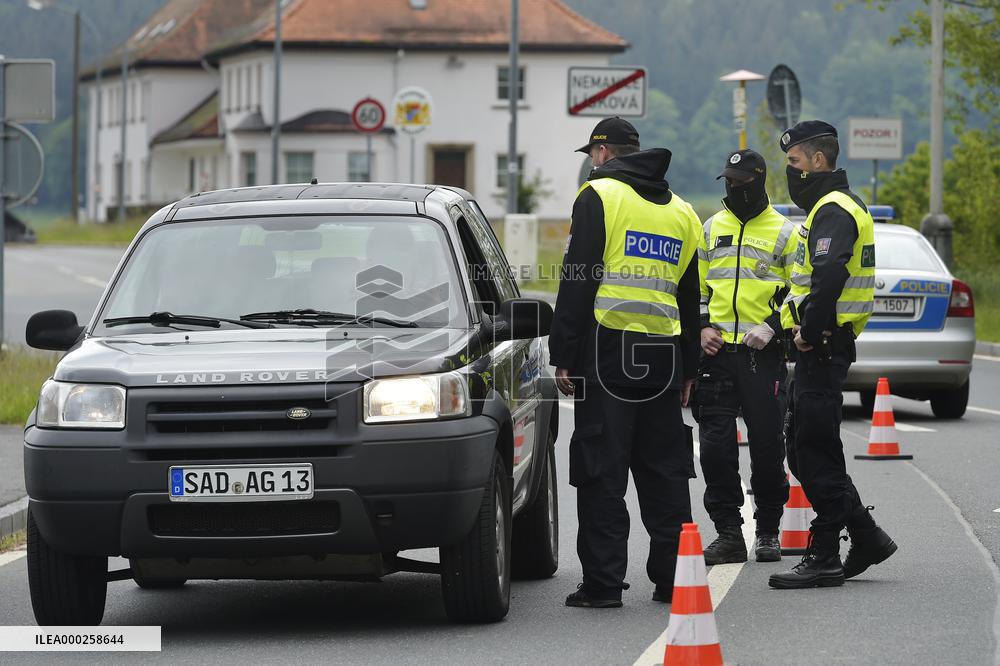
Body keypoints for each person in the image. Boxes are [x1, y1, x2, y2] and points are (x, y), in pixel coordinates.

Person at [548, 117, 701, 608]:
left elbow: (578, 278)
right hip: (662, 355)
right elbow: (691, 296)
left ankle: (604, 585)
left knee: (601, 470)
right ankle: (674, 581)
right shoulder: (682, 212)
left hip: (607, 353)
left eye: (591, 156)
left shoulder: (600, 197)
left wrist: (564, 353)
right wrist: (690, 367)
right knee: (665, 473)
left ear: (602, 153)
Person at [769, 120, 896, 589]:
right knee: (804, 452)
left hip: (821, 346)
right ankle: (866, 536)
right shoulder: (834, 205)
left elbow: (827, 277)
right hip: (821, 348)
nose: (791, 172)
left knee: (814, 451)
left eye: (795, 162)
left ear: (818, 160)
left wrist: (808, 330)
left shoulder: (835, 210)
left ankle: (823, 554)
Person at [696, 149, 794, 565]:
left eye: (741, 183)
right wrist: (702, 326)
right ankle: (729, 531)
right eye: (729, 183)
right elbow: (697, 288)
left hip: (762, 355)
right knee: (715, 448)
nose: (734, 189)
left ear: (758, 181)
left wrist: (773, 325)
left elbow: (800, 291)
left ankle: (768, 529)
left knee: (768, 447)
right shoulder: (711, 228)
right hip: (717, 356)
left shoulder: (786, 233)